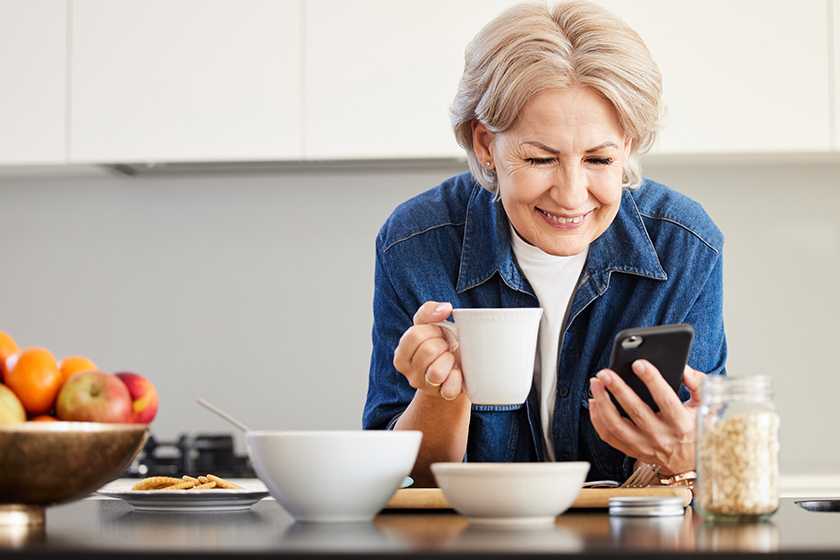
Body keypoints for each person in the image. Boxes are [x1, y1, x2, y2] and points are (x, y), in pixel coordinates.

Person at [363, 0, 726, 488]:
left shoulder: (685, 246)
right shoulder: (417, 244)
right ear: (486, 145)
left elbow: (699, 476)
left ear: (630, 146)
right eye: (539, 159)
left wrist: (685, 457)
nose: (572, 195)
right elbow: (402, 483)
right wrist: (438, 394)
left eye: (599, 159)